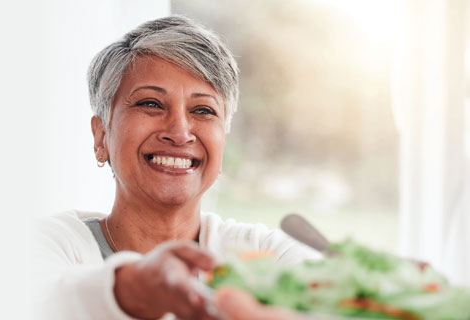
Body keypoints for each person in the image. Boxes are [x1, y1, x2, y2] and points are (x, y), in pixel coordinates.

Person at [31, 15, 318, 320]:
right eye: (151, 104)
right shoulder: (46, 243)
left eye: (203, 110)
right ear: (102, 135)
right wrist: (136, 289)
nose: (180, 132)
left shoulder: (269, 253)